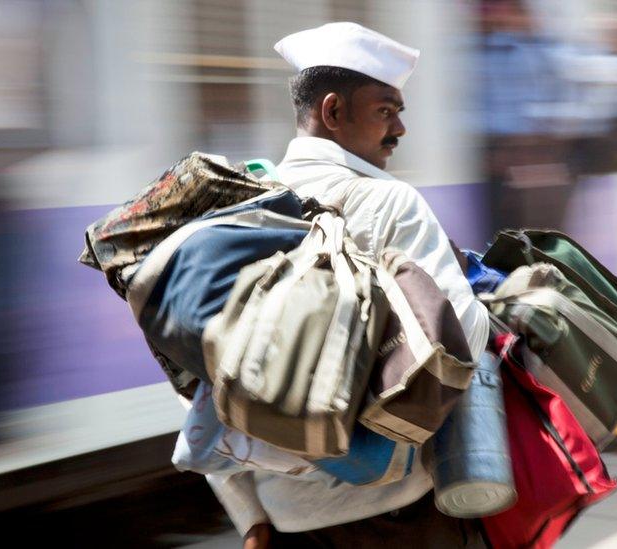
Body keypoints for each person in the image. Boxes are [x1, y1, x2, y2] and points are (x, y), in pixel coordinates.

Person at [204, 22, 490, 548]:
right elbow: (462, 343)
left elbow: (200, 378)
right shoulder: (390, 202)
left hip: (287, 521)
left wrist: (251, 519)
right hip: (394, 513)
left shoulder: (236, 214)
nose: (399, 129)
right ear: (333, 112)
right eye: (386, 110)